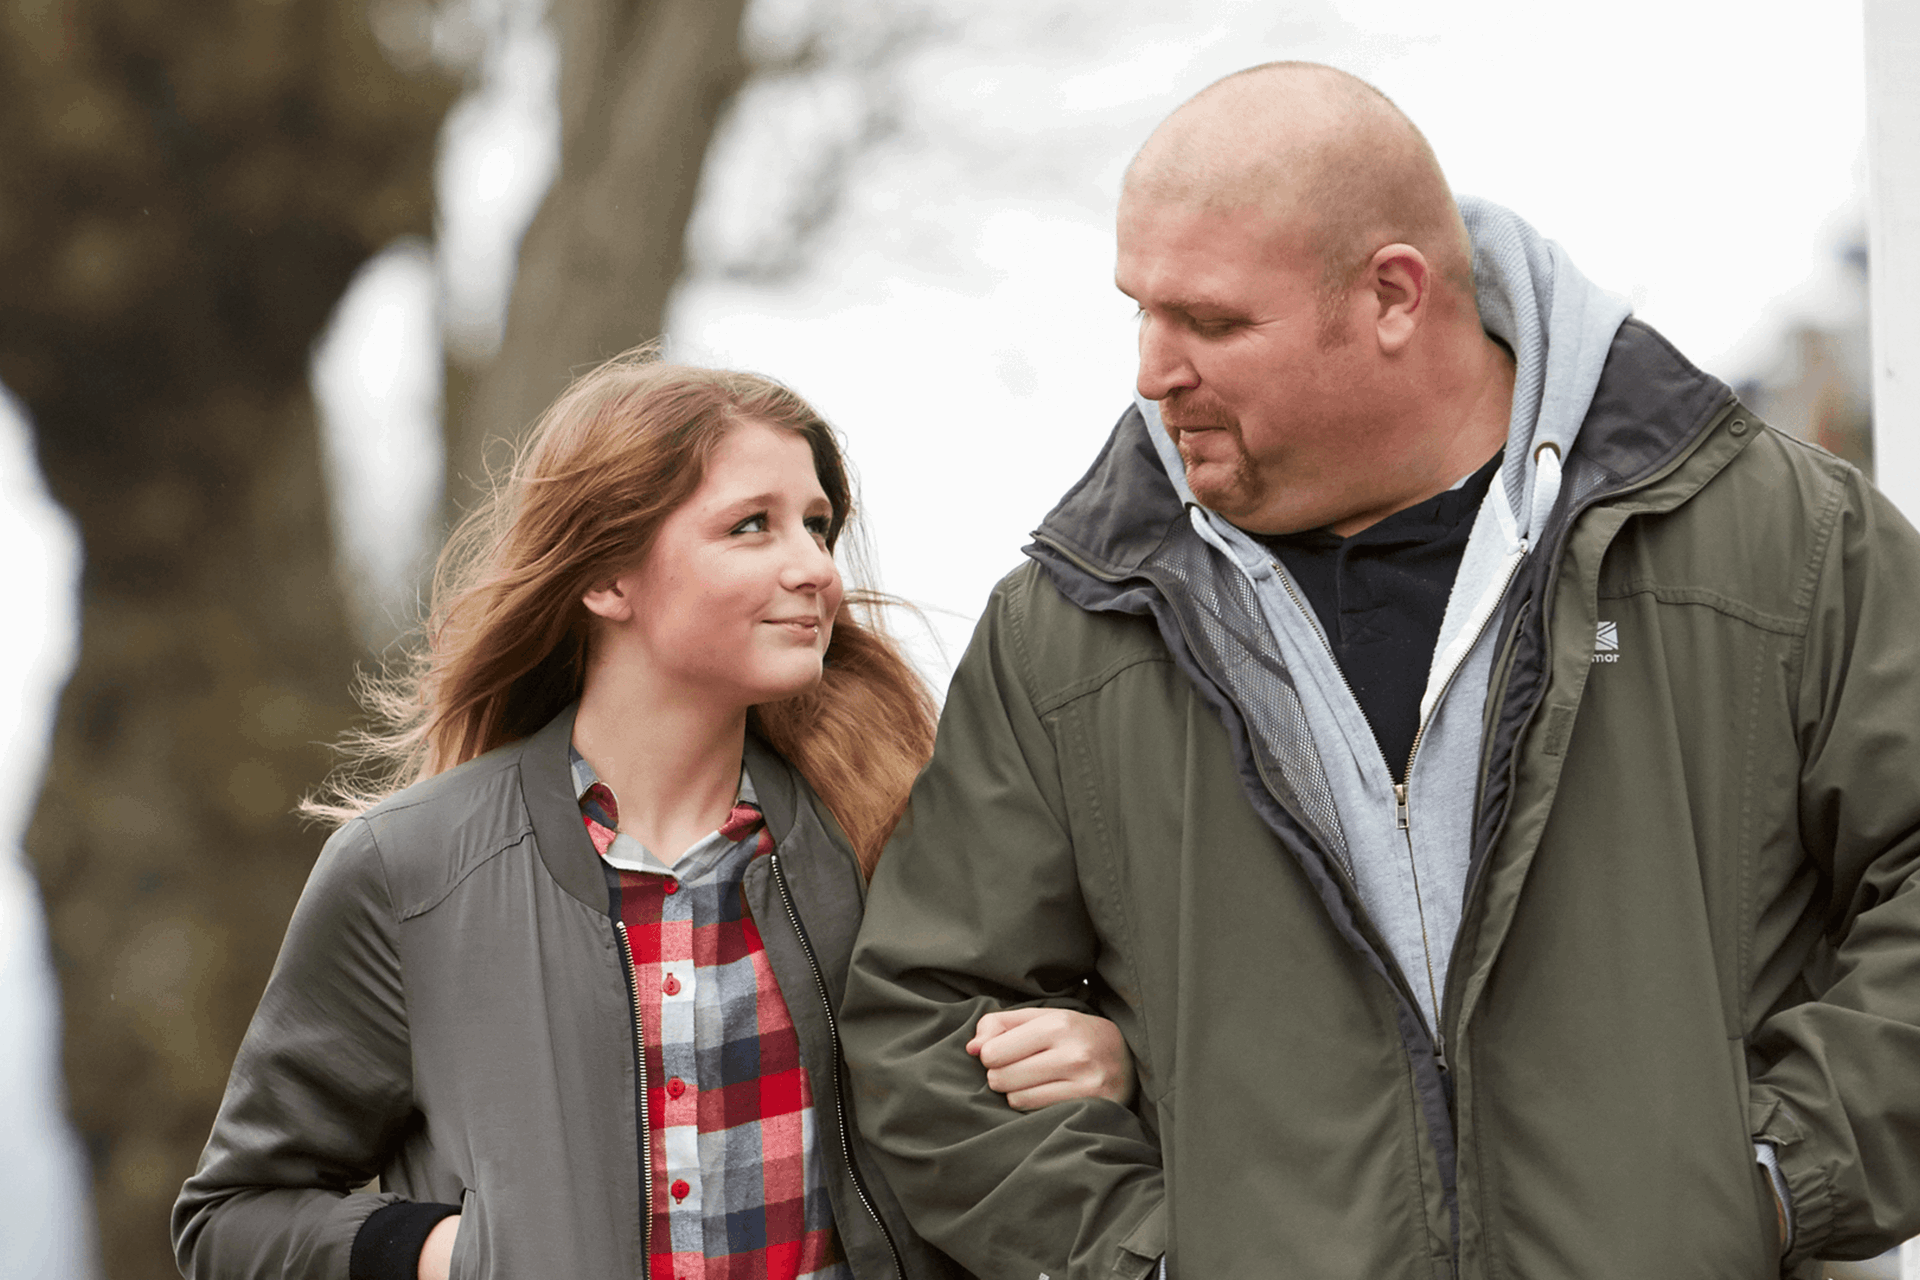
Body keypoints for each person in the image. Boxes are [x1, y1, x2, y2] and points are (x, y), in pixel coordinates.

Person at [840, 61, 1920, 1278]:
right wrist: (1147, 1259)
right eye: (1141, 309)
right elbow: (927, 1025)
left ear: (1394, 295)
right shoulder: (1071, 624)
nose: (1152, 369)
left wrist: (1776, 1177)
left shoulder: (1778, 539)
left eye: (1210, 321)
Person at [171, 355, 1135, 1280]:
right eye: (752, 526)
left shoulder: (895, 833)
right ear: (607, 580)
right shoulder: (410, 869)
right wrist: (451, 1257)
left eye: (817, 526)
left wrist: (1106, 1056)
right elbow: (234, 1217)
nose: (815, 569)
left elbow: (1041, 1078)